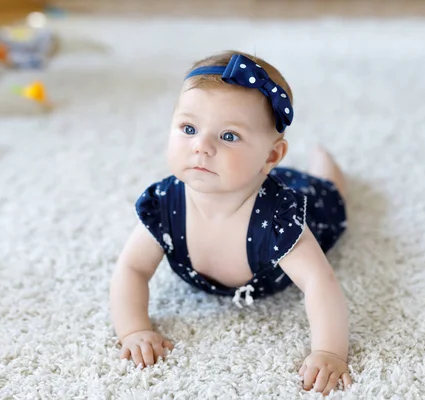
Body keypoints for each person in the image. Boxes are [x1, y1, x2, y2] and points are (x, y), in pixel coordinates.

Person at [110, 50, 352, 395]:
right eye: (189, 128)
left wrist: (329, 352)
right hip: (251, 175)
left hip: (299, 203)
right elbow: (132, 269)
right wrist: (133, 330)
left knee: (329, 196)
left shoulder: (279, 217)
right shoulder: (165, 204)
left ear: (270, 155)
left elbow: (318, 281)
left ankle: (325, 165)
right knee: (253, 173)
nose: (201, 147)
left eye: (228, 136)